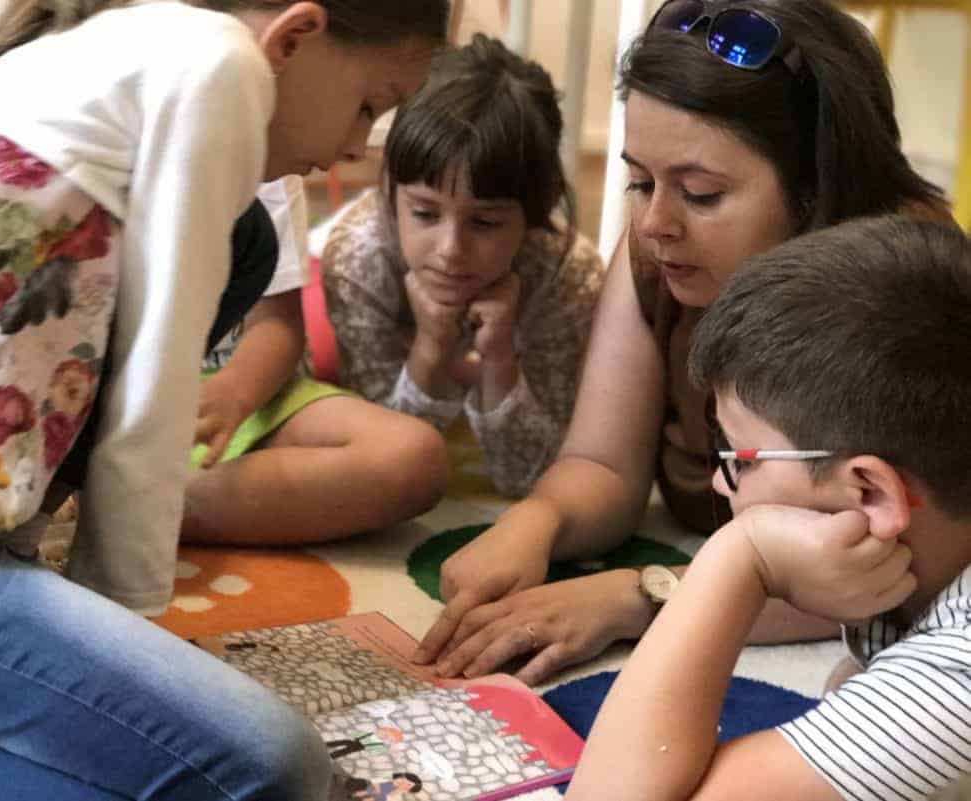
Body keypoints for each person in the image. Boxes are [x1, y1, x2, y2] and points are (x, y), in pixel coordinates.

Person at [0, 1, 448, 799]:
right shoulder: (220, 67)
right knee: (277, 768)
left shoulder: (125, 50)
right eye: (369, 105)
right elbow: (149, 404)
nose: (356, 146)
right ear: (294, 37)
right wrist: (120, 639)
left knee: (247, 239)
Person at [414, 0, 952, 685]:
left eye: (699, 193)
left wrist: (641, 596)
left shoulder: (904, 292)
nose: (653, 223)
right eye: (640, 181)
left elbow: (889, 572)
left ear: (816, 188)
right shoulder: (658, 256)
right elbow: (603, 465)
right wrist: (537, 519)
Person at [566, 214, 971, 801]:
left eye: (739, 456)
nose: (720, 482)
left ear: (870, 493)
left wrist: (739, 558)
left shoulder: (956, 675)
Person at [320, 33, 607, 499]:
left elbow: (532, 476)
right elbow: (377, 467)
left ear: (540, 205)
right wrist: (430, 348)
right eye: (425, 213)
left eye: (486, 222)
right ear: (390, 189)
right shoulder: (357, 258)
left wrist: (500, 361)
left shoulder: (570, 276)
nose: (451, 249)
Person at [182, 179, 448, 546]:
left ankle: (155, 505)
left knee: (415, 457)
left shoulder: (274, 180)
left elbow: (278, 322)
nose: (356, 151)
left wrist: (234, 393)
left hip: (258, 392)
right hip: (144, 404)